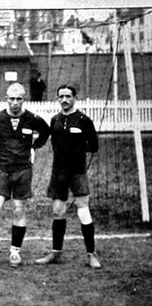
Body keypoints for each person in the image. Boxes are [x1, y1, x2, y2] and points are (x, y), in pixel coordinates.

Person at [0, 82, 51, 267]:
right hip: (2, 169)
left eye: (19, 99)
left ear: (24, 100)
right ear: (6, 99)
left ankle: (15, 252)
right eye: (12, 99)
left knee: (19, 209)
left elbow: (46, 131)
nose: (15, 102)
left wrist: (35, 146)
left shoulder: (32, 119)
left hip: (23, 170)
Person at [36, 84, 102, 268]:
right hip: (59, 172)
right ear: (58, 99)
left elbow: (94, 146)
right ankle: (56, 253)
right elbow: (55, 144)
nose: (64, 100)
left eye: (68, 96)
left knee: (83, 210)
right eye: (61, 96)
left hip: (77, 172)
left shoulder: (83, 120)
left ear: (75, 98)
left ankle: (92, 254)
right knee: (58, 211)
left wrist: (77, 152)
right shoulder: (55, 120)